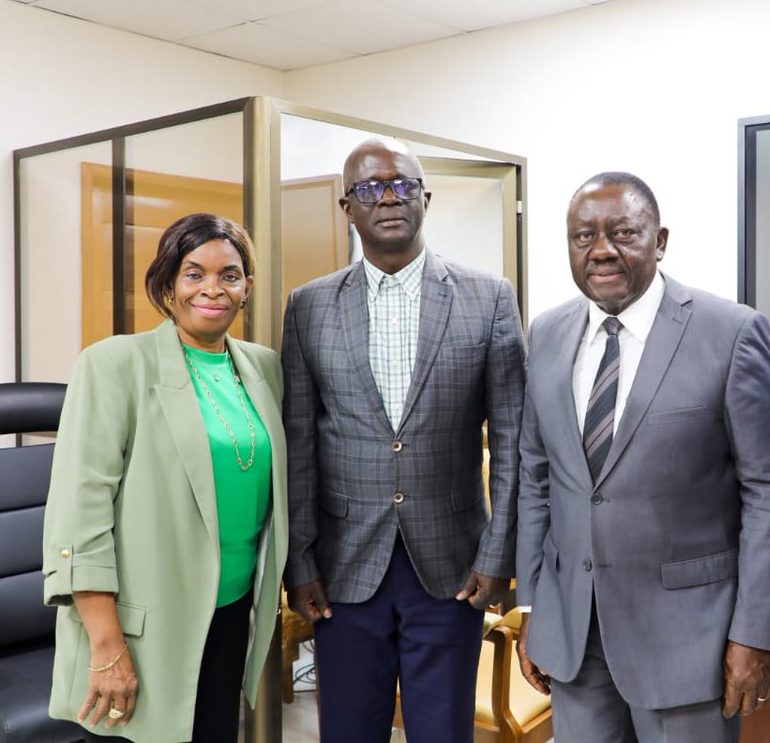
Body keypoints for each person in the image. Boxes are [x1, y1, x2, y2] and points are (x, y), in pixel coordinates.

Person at [515, 172, 770, 743]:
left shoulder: (732, 332)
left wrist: (753, 634)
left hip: (691, 643)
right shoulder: (546, 334)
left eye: (623, 232)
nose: (601, 250)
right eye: (582, 237)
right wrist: (533, 610)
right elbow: (536, 478)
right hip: (576, 636)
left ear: (660, 240)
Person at [282, 137, 526, 742]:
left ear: (425, 198)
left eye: (402, 185)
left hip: (453, 569)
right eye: (369, 188)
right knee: (347, 730)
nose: (387, 198)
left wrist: (499, 557)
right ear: (348, 208)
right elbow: (300, 445)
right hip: (343, 570)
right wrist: (300, 559)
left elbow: (516, 440)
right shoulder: (307, 307)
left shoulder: (487, 298)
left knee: (443, 731)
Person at [43, 213, 288, 743]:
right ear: (168, 285)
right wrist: (107, 645)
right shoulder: (115, 364)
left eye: (230, 274)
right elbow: (79, 513)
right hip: (140, 625)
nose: (212, 288)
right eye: (193, 273)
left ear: (246, 288)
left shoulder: (263, 367)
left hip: (229, 612)